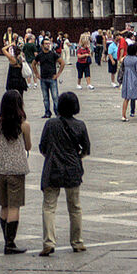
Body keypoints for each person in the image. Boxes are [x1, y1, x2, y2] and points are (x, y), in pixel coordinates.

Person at [37, 89, 90, 254]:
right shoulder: (80, 125)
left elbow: (42, 147)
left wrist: (52, 155)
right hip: (72, 168)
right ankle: (77, 241)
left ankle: (49, 242)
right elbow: (86, 149)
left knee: (49, 206)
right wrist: (76, 157)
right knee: (75, 207)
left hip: (53, 168)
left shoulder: (50, 124)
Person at [0, 91, 32, 254]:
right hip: (16, 170)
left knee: (4, 205)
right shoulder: (23, 125)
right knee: (14, 206)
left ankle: (7, 240)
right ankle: (10, 243)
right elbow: (28, 146)